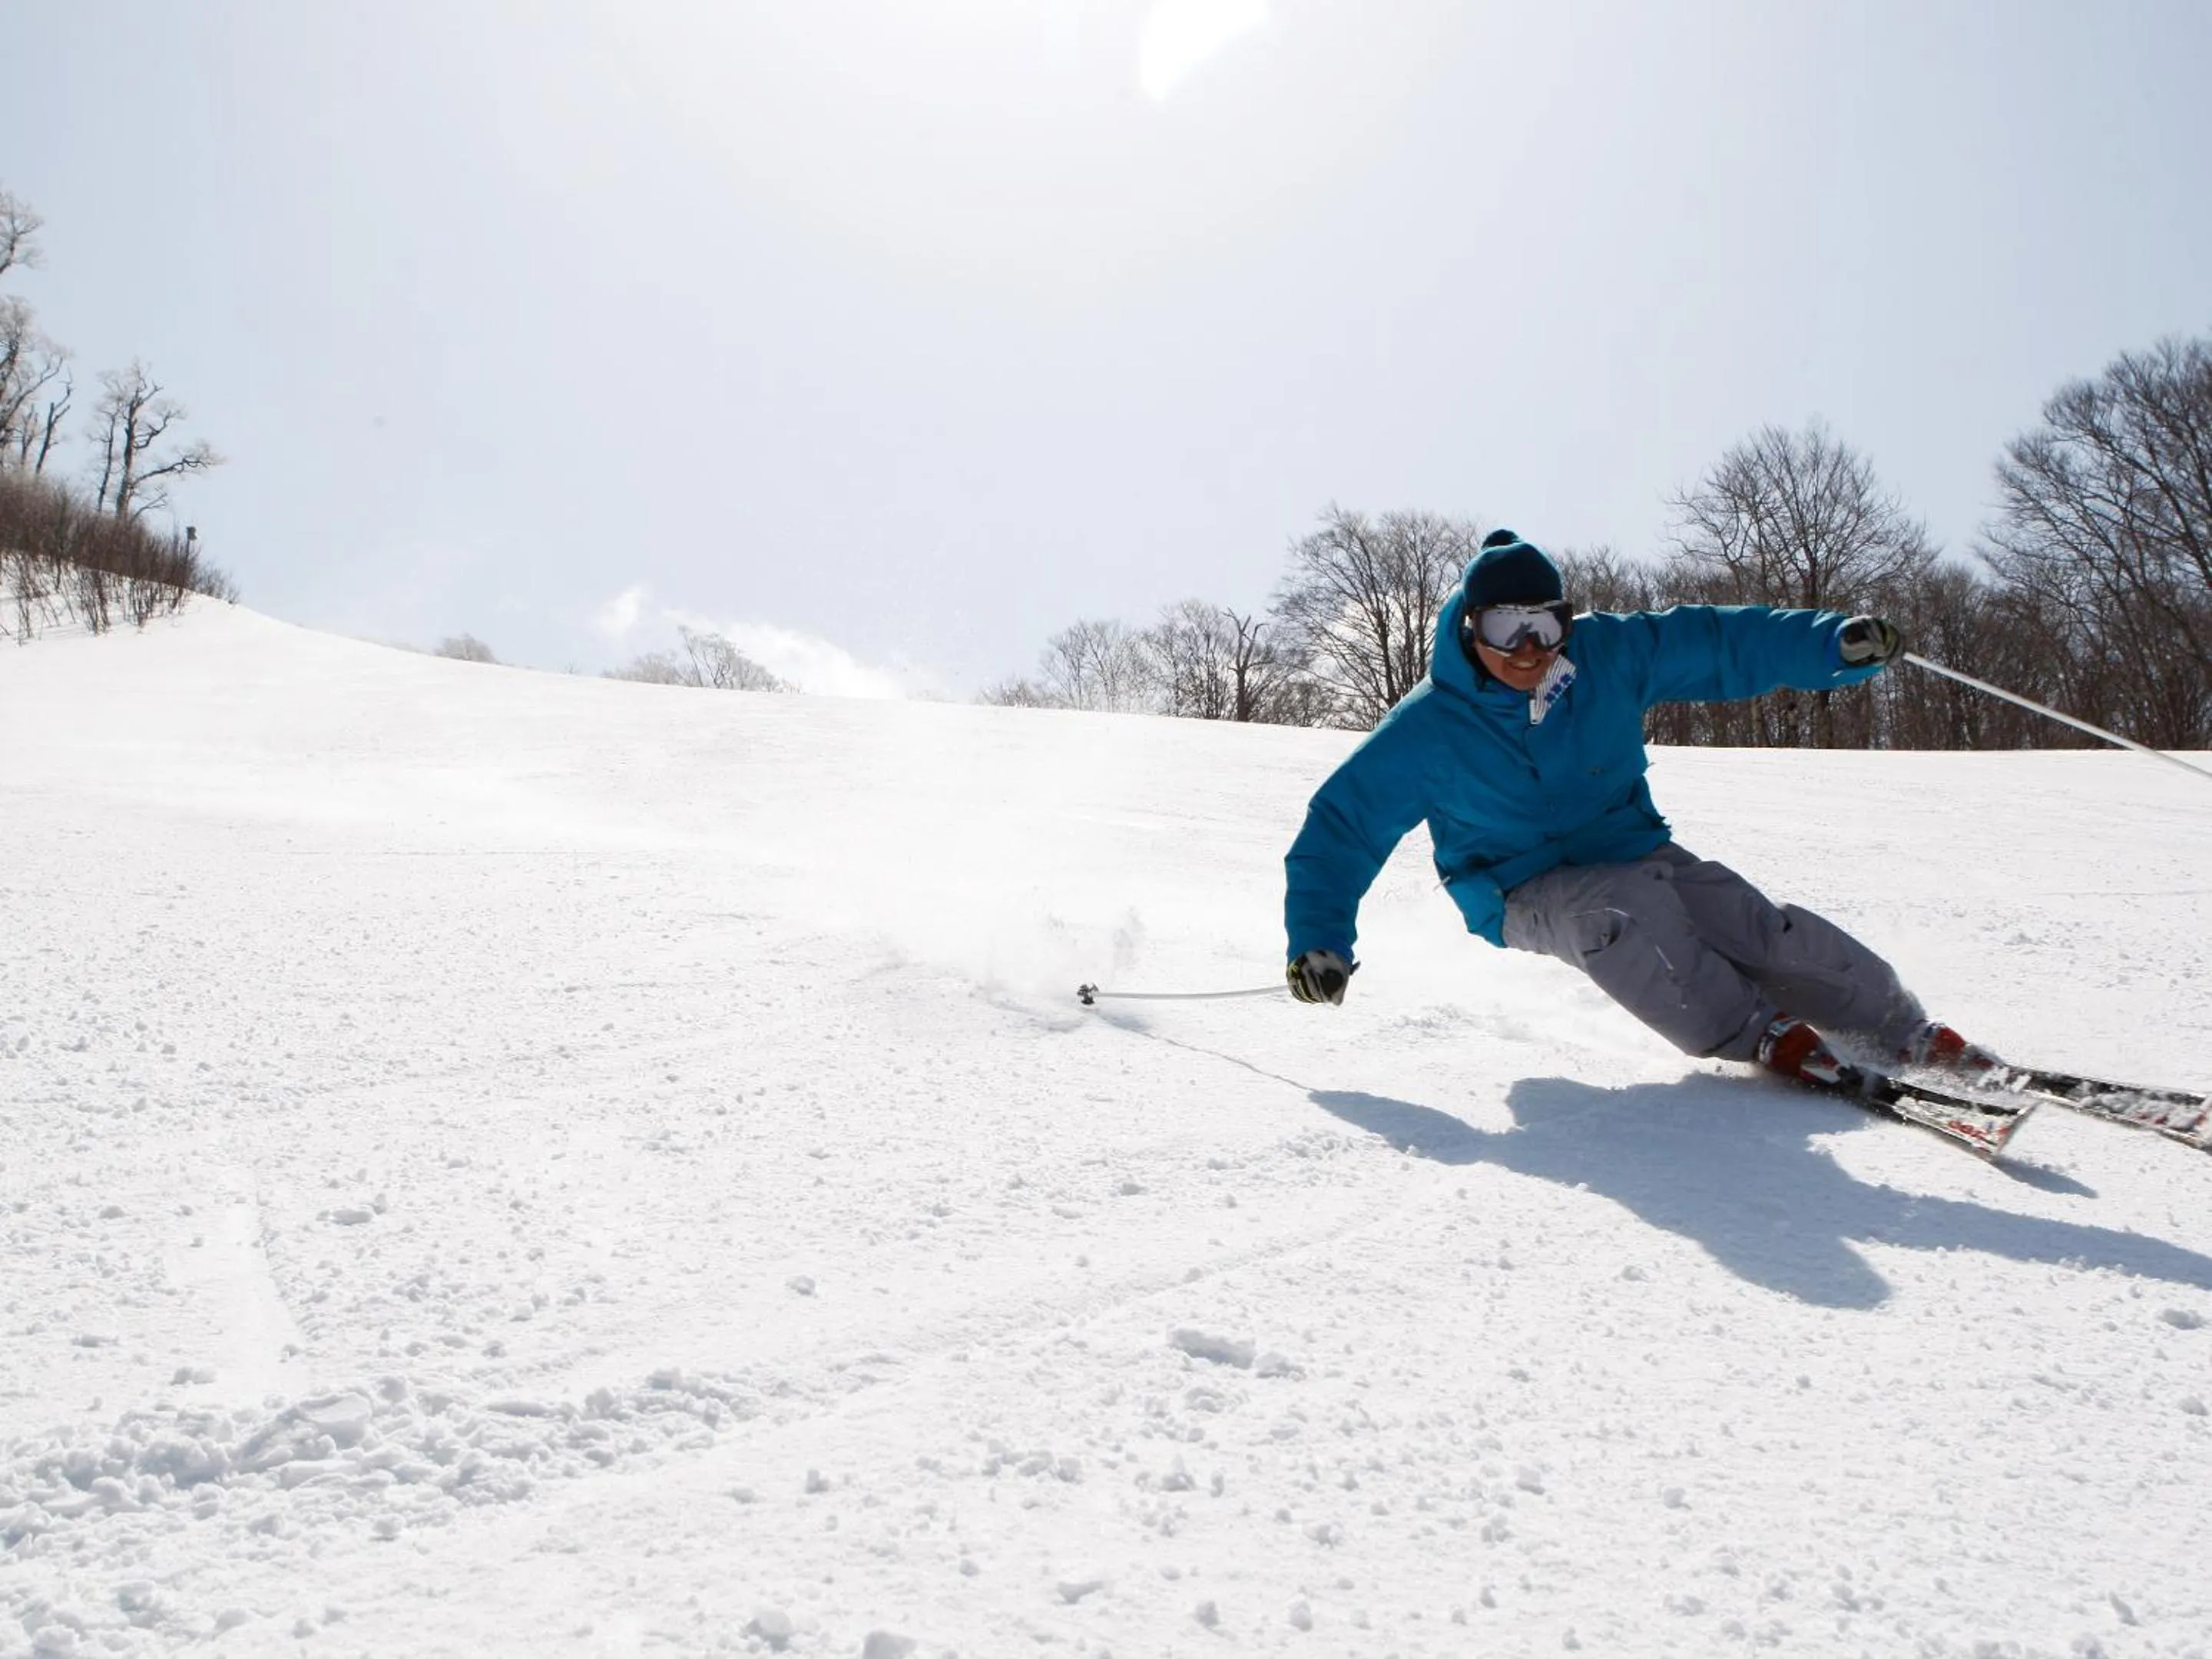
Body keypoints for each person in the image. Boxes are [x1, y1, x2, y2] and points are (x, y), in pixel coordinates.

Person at [1280, 528, 1992, 1088]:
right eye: (1505, 629)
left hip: (1633, 849)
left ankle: (1896, 1026)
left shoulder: (1605, 656)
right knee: (1620, 910)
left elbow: (1719, 644)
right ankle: (1755, 1032)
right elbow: (1343, 827)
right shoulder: (1429, 728)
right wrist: (1320, 942)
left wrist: (1831, 644)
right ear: (1472, 629)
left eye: (1545, 626)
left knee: (1751, 925)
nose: (1528, 649)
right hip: (1516, 888)